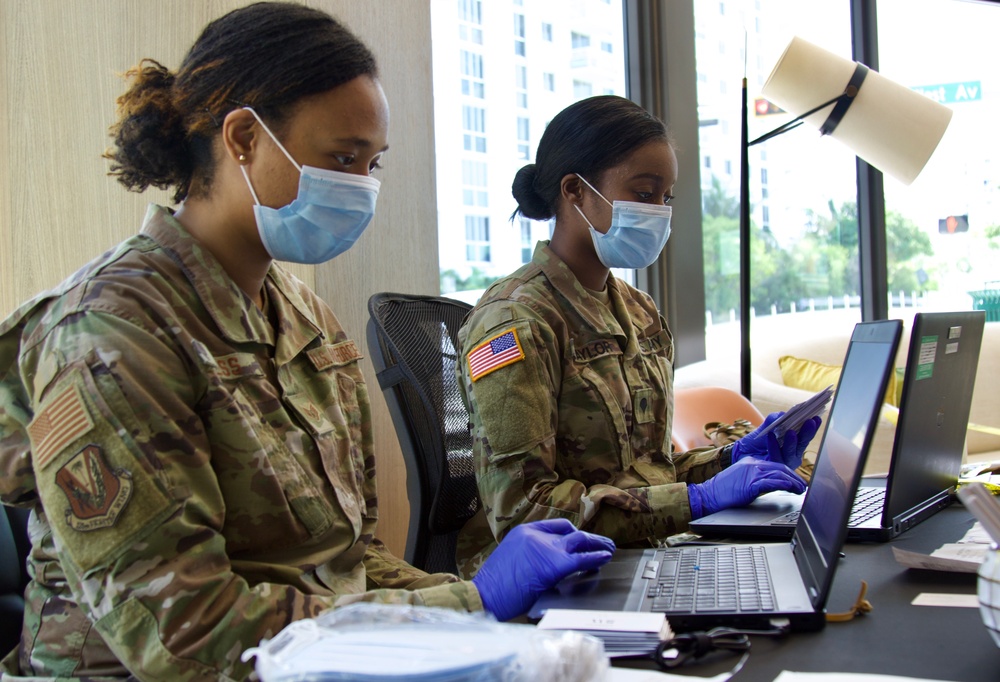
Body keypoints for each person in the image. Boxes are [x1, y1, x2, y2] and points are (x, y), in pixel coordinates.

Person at [0, 4, 615, 679]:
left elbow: (348, 561)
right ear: (243, 137)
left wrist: (483, 611)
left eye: (372, 163)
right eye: (342, 159)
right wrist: (470, 603)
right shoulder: (112, 333)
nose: (362, 187)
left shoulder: (307, 320)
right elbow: (183, 637)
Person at [455, 95, 820, 578]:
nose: (660, 212)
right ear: (575, 191)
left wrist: (733, 460)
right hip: (564, 579)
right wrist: (698, 499)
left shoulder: (638, 311)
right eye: (644, 194)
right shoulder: (513, 323)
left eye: (666, 197)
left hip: (649, 554)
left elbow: (651, 472)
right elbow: (524, 512)